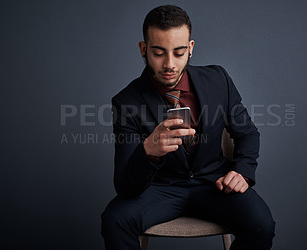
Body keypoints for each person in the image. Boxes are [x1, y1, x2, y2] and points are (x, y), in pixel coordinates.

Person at [101, 5, 275, 250]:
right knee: (114, 220)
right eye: (159, 53)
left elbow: (247, 134)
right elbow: (126, 187)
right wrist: (148, 151)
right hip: (161, 190)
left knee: (262, 224)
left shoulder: (218, 80)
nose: (169, 64)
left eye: (179, 52)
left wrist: (242, 172)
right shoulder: (126, 102)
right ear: (143, 49)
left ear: (190, 49)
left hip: (215, 185)